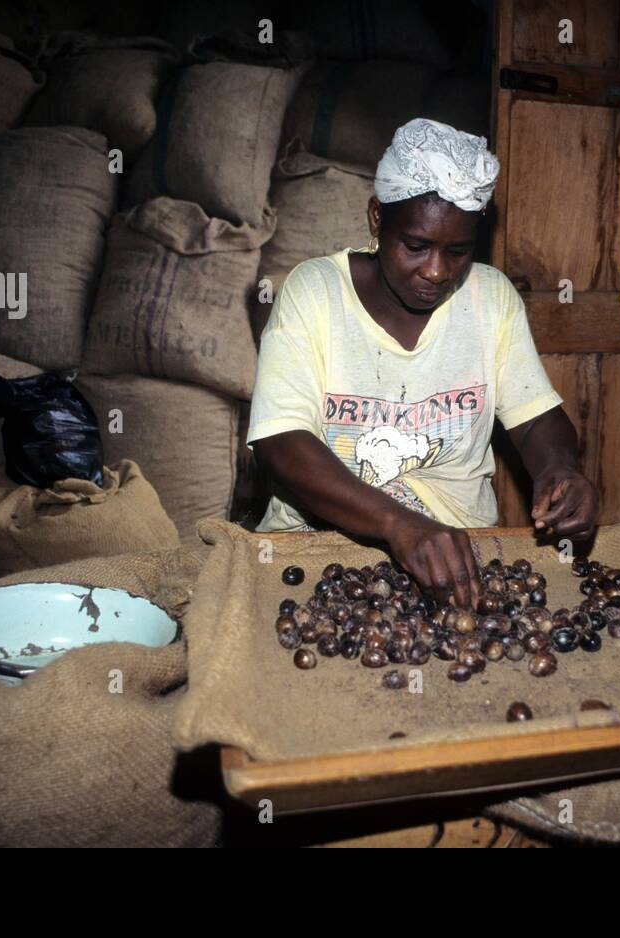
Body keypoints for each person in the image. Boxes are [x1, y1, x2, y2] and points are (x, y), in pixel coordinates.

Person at [248, 118, 599, 609]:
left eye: (457, 251)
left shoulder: (490, 298)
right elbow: (280, 444)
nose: (436, 271)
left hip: (459, 552)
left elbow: (536, 416)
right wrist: (398, 524)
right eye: (416, 246)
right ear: (377, 219)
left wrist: (562, 470)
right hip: (314, 542)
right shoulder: (316, 292)